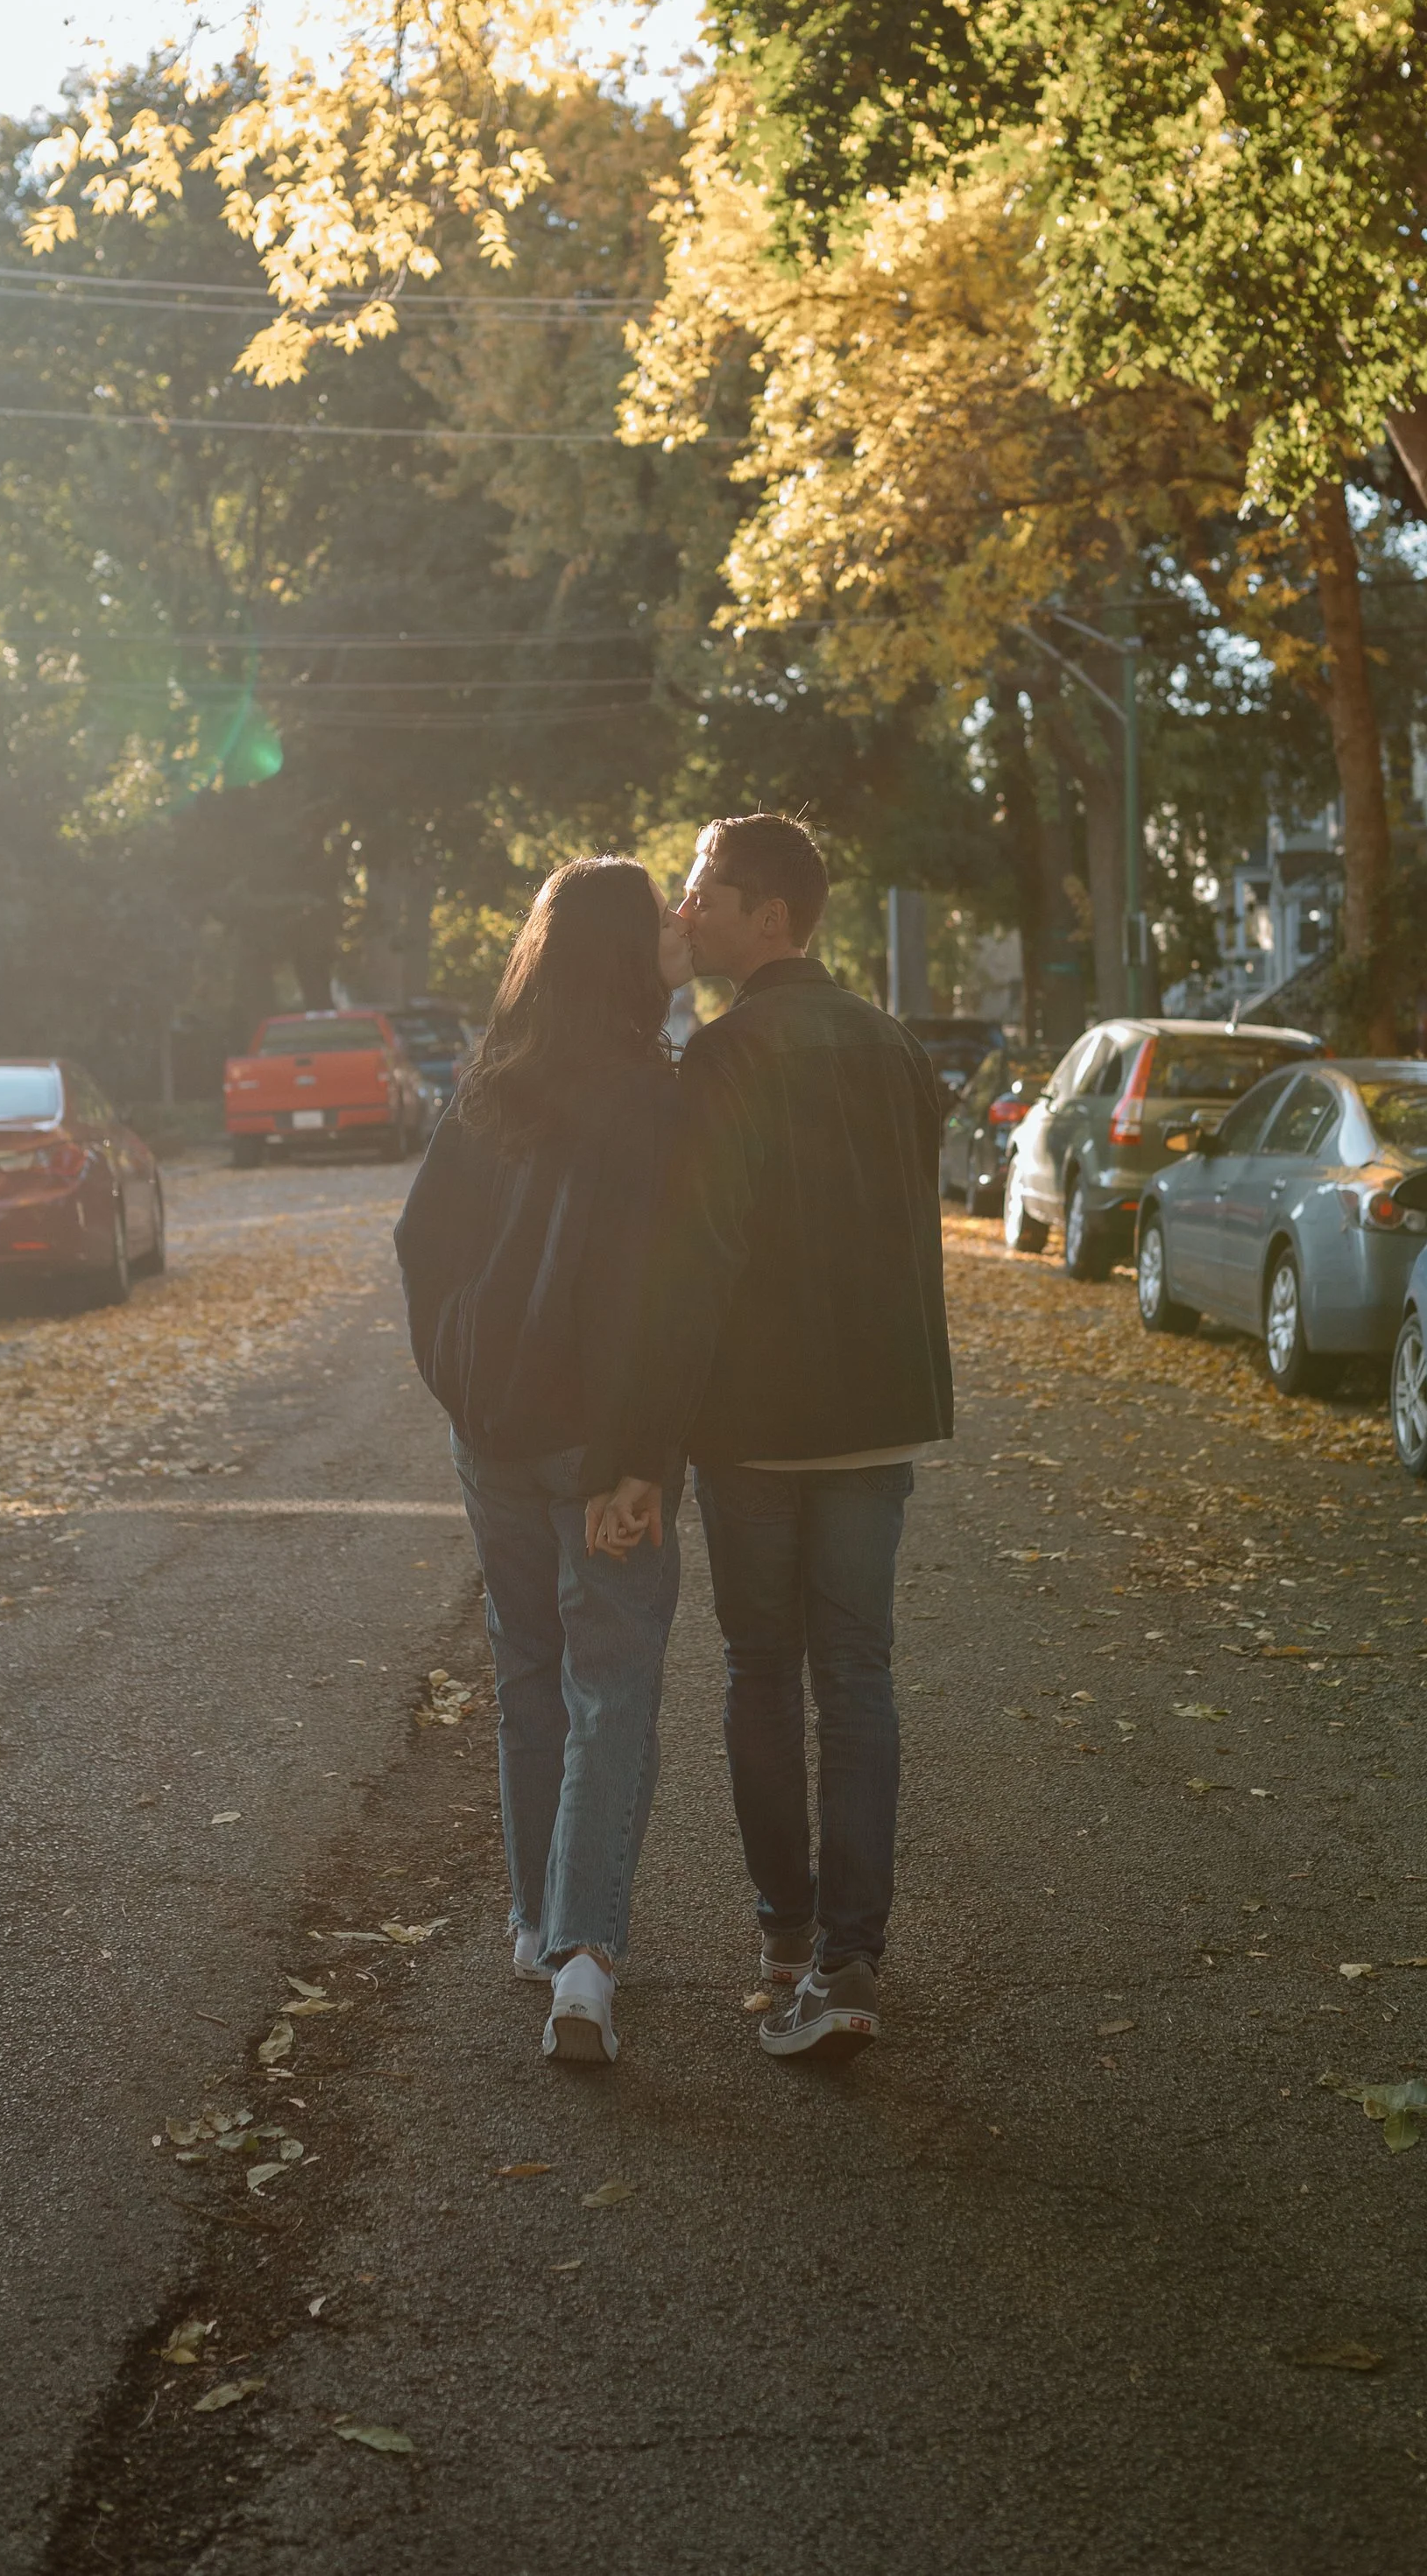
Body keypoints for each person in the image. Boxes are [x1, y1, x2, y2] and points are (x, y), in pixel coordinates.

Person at [605, 815, 952, 2057]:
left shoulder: (726, 1052)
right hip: (876, 1415)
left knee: (765, 1670)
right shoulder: (894, 1045)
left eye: (703, 889)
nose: (687, 907)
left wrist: (644, 1444)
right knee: (857, 1673)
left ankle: (787, 1942)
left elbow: (694, 1260)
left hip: (756, 1421)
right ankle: (852, 1962)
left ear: (765, 916)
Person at [393, 858, 694, 2066]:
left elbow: (421, 1243)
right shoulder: (658, 1098)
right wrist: (644, 1456)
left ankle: (533, 1924)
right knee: (610, 1677)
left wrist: (465, 1380)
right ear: (629, 956)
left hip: (496, 1435)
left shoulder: (489, 1089)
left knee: (529, 1664)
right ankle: (582, 1953)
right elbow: (669, 1298)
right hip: (605, 1441)